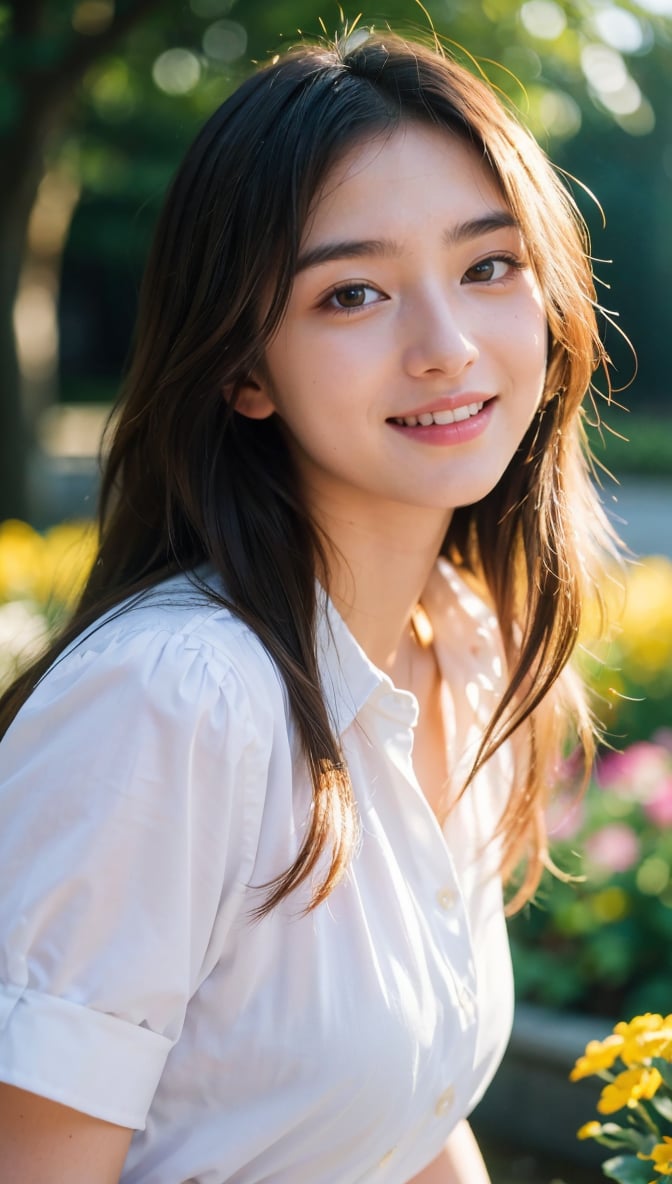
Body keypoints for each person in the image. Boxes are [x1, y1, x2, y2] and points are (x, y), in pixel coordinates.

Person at [0, 28, 618, 1184]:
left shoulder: (463, 642)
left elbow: (405, 1121)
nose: (446, 346)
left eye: (489, 266)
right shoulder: (176, 702)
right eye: (353, 293)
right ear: (241, 367)